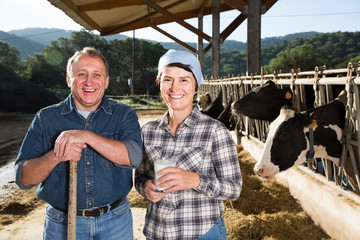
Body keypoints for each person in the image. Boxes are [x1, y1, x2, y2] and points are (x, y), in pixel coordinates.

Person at [15, 47, 142, 239]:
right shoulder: (46, 118)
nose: (89, 82)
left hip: (115, 223)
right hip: (61, 224)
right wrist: (56, 155)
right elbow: (23, 179)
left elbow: (134, 157)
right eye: (81, 74)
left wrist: (87, 136)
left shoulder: (124, 114)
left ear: (106, 81)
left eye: (96, 75)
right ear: (69, 80)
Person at [135, 49, 242, 240]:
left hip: (201, 232)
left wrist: (195, 180)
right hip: (158, 231)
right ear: (159, 83)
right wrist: (145, 188)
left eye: (184, 80)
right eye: (167, 79)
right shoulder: (148, 131)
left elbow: (234, 188)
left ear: (196, 86)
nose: (175, 88)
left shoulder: (215, 131)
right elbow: (140, 177)